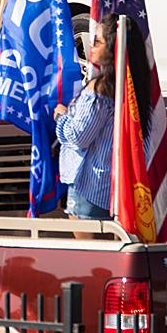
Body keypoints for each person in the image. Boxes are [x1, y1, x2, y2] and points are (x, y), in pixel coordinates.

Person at [56, 14, 116, 221]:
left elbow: (79, 137)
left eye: (98, 42)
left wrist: (62, 117)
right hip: (116, 182)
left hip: (90, 184)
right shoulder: (134, 85)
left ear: (113, 49)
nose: (91, 46)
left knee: (92, 249)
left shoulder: (100, 89)